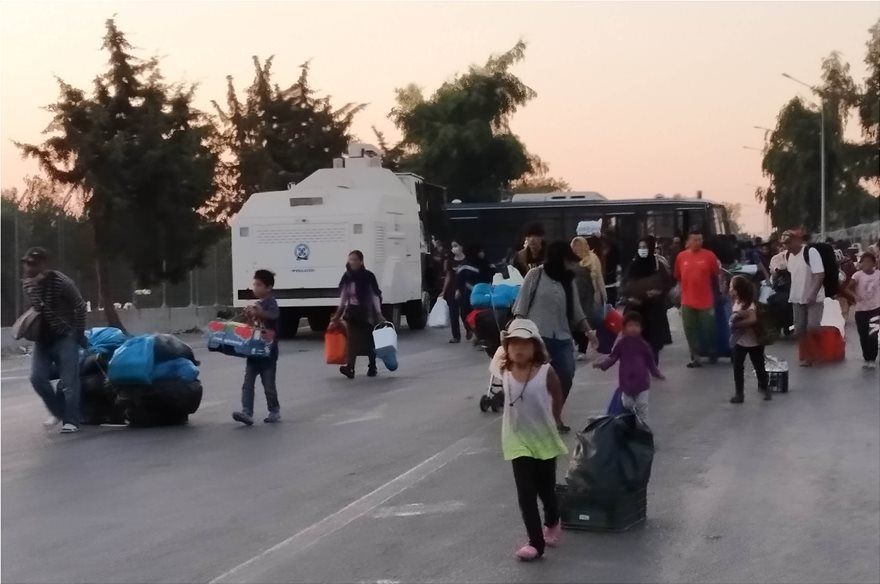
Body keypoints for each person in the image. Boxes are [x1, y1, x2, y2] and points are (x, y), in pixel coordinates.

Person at [490, 318, 566, 562]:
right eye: (514, 344)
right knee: (526, 492)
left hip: (543, 437)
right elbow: (498, 350)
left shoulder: (545, 371)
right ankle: (535, 542)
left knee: (546, 490)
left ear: (536, 347)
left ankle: (552, 520)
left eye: (525, 343)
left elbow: (557, 394)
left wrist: (556, 418)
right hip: (517, 439)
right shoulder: (503, 369)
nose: (519, 349)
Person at [513, 241, 596, 433]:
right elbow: (521, 307)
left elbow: (577, 311)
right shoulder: (535, 275)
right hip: (536, 338)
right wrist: (519, 334)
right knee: (534, 381)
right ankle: (534, 418)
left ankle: (554, 415)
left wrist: (589, 331)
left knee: (566, 374)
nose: (570, 264)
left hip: (562, 336)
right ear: (558, 258)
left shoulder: (568, 280)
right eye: (567, 259)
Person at [20, 247, 86, 434]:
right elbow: (36, 309)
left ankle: (71, 421)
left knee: (69, 381)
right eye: (26, 264)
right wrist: (33, 289)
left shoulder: (62, 282)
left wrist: (79, 333)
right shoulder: (29, 284)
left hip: (65, 336)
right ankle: (58, 411)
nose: (28, 268)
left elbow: (80, 306)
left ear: (43, 265)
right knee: (37, 378)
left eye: (32, 264)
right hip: (42, 339)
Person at [593, 312, 664, 424]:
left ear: (641, 328)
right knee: (627, 404)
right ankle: (633, 419)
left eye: (636, 325)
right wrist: (601, 364)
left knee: (642, 405)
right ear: (624, 328)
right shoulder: (621, 344)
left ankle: (644, 427)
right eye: (630, 325)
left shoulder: (644, 345)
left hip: (642, 382)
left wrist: (656, 373)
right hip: (626, 383)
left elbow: (651, 362)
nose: (633, 328)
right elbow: (612, 357)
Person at [232, 269, 282, 425]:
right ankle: (247, 412)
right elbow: (251, 327)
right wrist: (248, 315)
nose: (255, 288)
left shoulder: (271, 303)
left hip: (268, 352)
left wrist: (259, 312)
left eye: (259, 285)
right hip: (253, 351)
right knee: (248, 383)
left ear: (268, 287)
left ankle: (274, 410)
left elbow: (273, 316)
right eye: (254, 284)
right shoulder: (257, 305)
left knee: (268, 385)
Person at [620, 237, 673, 364]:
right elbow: (624, 286)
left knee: (653, 343)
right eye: (640, 247)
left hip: (654, 310)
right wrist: (631, 297)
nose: (642, 250)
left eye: (645, 247)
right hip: (636, 309)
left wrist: (658, 292)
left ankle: (652, 366)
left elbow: (667, 283)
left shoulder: (658, 265)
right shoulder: (633, 265)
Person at [332, 250, 384, 379]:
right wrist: (338, 314)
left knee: (369, 340)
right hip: (352, 312)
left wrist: (379, 313)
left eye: (355, 259)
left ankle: (372, 366)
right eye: (350, 259)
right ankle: (350, 367)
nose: (352, 262)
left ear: (361, 261)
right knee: (352, 340)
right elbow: (344, 296)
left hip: (367, 311)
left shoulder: (368, 276)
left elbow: (374, 296)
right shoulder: (347, 277)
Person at [674, 229, 721, 368]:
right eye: (695, 240)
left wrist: (719, 293)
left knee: (709, 328)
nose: (698, 242)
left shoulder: (709, 256)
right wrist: (679, 291)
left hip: (706, 300)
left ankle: (712, 350)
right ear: (688, 241)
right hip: (687, 300)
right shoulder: (681, 257)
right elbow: (678, 276)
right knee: (690, 329)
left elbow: (716, 275)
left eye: (700, 239)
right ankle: (696, 356)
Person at [783, 230, 825, 367]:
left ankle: (819, 350)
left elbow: (820, 275)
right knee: (800, 329)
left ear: (798, 240)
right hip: (797, 297)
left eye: (789, 242)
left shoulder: (810, 252)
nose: (787, 246)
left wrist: (813, 293)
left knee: (812, 327)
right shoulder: (788, 256)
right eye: (784, 243)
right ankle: (808, 356)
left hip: (814, 297)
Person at [728, 275, 771, 403]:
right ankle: (739, 393)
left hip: (754, 342)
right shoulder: (737, 301)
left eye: (731, 287)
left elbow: (753, 319)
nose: (730, 289)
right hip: (740, 341)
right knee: (738, 367)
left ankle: (764, 387)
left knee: (759, 366)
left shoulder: (749, 305)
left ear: (738, 290)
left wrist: (738, 324)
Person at [570, 236, 607, 358]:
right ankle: (578, 340)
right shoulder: (570, 261)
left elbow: (599, 278)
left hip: (591, 296)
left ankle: (582, 349)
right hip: (574, 295)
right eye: (575, 246)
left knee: (584, 320)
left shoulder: (593, 258)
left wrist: (604, 296)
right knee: (573, 321)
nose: (577, 248)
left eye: (579, 245)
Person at [847, 251, 880, 369]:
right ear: (860, 264)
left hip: (875, 309)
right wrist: (855, 296)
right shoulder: (857, 275)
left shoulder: (878, 274)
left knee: (873, 335)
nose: (866, 264)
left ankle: (872, 359)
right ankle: (866, 357)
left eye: (869, 262)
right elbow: (848, 288)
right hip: (861, 311)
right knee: (864, 336)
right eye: (864, 262)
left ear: (874, 263)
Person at [456, 243, 493, 346]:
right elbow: (459, 278)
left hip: (484, 293)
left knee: (481, 315)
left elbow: (494, 274)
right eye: (480, 251)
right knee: (465, 313)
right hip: (468, 293)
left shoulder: (487, 263)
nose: (482, 253)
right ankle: (469, 329)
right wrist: (458, 290)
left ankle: (480, 336)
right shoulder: (465, 265)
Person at [444, 241, 471, 344]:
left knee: (465, 313)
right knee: (453, 314)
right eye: (452, 247)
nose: (454, 248)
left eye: (456, 246)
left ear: (461, 247)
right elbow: (448, 276)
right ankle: (456, 336)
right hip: (451, 290)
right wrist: (443, 290)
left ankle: (468, 328)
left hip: (464, 290)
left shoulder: (467, 261)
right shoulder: (450, 261)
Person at [600, 235, 621, 307]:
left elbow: (618, 266)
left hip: (611, 283)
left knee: (611, 305)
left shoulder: (614, 250)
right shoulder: (595, 252)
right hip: (600, 284)